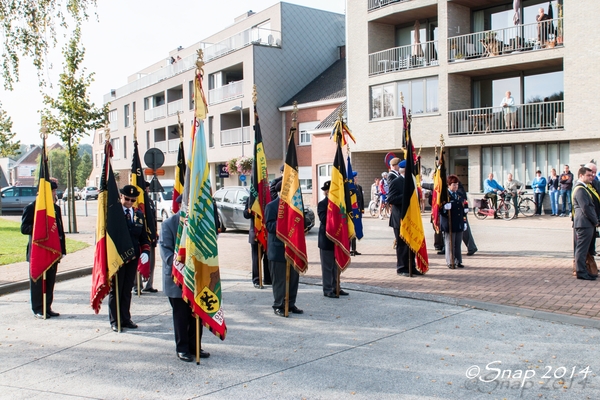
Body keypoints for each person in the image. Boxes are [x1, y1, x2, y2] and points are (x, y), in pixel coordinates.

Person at [160, 196, 210, 362]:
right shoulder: (169, 224)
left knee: (196, 314)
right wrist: (181, 266)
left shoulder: (200, 223)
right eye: (187, 205)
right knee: (181, 316)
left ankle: (195, 346)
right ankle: (182, 348)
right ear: (180, 205)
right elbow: (165, 251)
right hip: (177, 279)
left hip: (196, 278)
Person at [21, 180, 66, 319]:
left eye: (53, 191)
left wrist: (62, 249)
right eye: (51, 191)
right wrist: (40, 230)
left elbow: (60, 231)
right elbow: (24, 228)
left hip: (52, 250)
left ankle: (47, 306)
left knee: (50, 280)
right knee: (38, 282)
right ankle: (38, 308)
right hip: (38, 251)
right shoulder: (32, 208)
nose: (54, 194)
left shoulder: (55, 208)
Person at [109, 185, 151, 332]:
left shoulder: (138, 215)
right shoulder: (114, 214)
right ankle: (115, 320)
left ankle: (125, 318)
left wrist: (146, 252)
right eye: (127, 199)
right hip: (118, 258)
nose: (129, 202)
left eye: (132, 200)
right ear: (121, 196)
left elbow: (143, 238)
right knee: (116, 290)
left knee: (127, 289)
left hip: (132, 257)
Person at [264, 181, 303, 316]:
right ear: (281, 192)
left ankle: (290, 303)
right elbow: (269, 226)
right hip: (278, 249)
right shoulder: (271, 206)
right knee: (280, 280)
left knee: (293, 278)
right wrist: (284, 223)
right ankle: (279, 305)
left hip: (293, 248)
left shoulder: (295, 207)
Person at [318, 181, 349, 298]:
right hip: (326, 239)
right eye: (327, 190)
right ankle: (327, 289)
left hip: (338, 238)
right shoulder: (322, 204)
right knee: (327, 266)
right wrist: (334, 213)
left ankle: (337, 287)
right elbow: (323, 219)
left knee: (337, 266)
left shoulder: (340, 203)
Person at [386, 161, 418, 276]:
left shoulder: (412, 182)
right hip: (399, 218)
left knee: (411, 243)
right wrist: (406, 196)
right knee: (402, 245)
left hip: (411, 217)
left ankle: (412, 266)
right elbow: (391, 199)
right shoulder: (396, 182)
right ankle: (402, 268)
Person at [572, 167, 599, 280]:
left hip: (585, 223)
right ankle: (581, 272)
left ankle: (583, 271)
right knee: (582, 250)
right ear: (581, 176)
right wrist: (596, 221)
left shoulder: (584, 188)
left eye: (592, 174)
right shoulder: (580, 189)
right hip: (584, 223)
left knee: (583, 249)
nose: (591, 176)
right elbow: (586, 208)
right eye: (588, 175)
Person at [243, 196, 271, 288]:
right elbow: (245, 214)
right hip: (255, 232)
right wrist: (250, 211)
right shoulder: (250, 199)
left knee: (267, 257)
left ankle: (267, 278)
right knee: (256, 258)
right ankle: (256, 280)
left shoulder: (267, 197)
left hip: (266, 233)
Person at [440, 175, 467, 269]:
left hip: (458, 222)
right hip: (449, 223)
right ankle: (450, 261)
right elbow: (438, 208)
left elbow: (463, 209)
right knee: (450, 244)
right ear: (449, 185)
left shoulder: (459, 194)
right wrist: (444, 208)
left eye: (457, 184)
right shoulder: (445, 195)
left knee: (458, 243)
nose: (456, 186)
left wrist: (464, 222)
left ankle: (458, 261)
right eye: (454, 185)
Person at [141, 181, 158, 293]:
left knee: (151, 261)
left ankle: (149, 284)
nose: (148, 190)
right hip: (141, 237)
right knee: (141, 260)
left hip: (151, 236)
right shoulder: (139, 203)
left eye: (148, 189)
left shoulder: (150, 202)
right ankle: (137, 285)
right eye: (146, 188)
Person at [457, 180, 478, 256]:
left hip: (460, 213)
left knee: (464, 230)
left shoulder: (459, 190)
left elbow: (463, 199)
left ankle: (471, 247)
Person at [350, 172, 364, 256]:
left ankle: (354, 249)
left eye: (357, 177)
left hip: (358, 213)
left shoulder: (359, 187)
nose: (356, 179)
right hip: (352, 212)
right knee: (351, 230)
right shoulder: (349, 188)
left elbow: (361, 200)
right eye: (355, 178)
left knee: (356, 229)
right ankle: (350, 249)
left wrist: (362, 210)